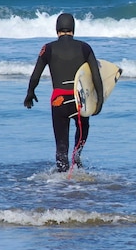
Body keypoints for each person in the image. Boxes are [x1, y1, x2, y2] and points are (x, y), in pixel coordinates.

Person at [24, 13, 104, 172]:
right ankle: (77, 157)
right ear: (73, 29)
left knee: (61, 145)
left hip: (58, 100)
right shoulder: (85, 47)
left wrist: (30, 93)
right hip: (79, 99)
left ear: (56, 29)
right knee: (83, 128)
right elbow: (96, 76)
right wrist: (99, 100)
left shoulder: (48, 48)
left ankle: (61, 182)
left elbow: (35, 75)